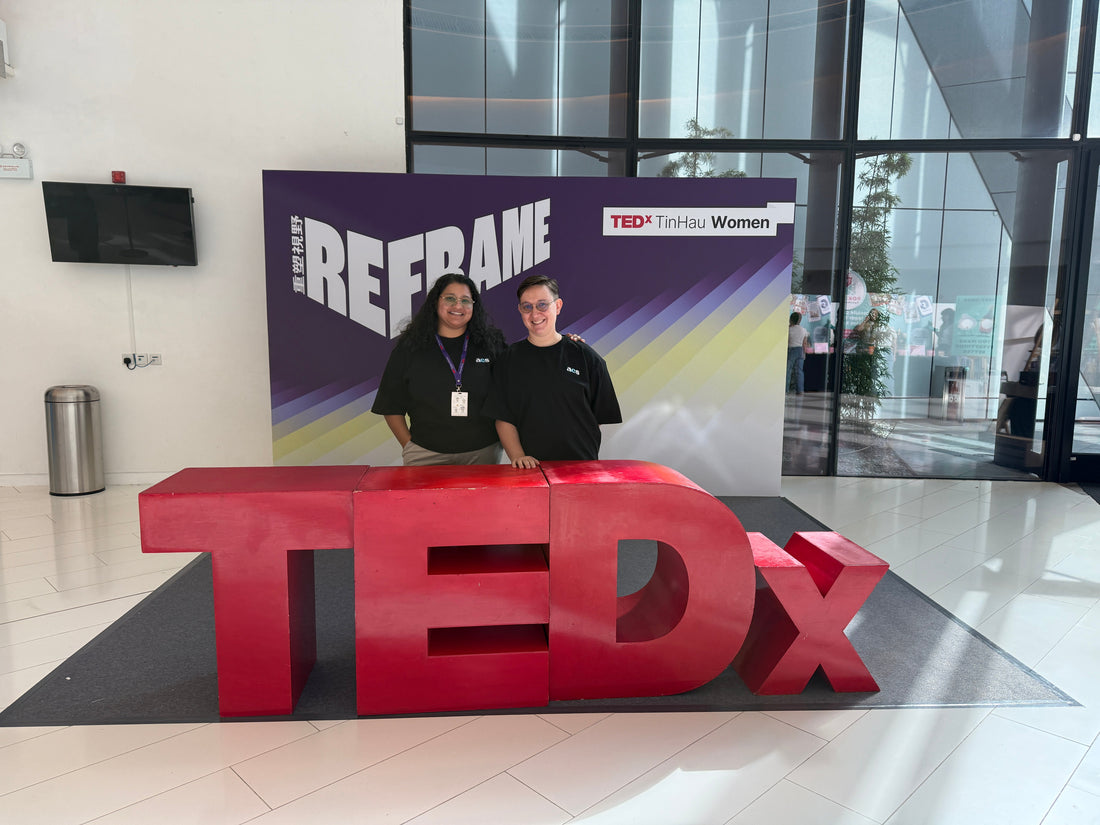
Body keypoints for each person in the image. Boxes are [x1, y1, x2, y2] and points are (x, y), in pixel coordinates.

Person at [486, 274, 622, 468]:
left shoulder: (586, 357)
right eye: (527, 307)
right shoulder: (508, 360)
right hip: (532, 471)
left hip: (580, 468)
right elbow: (503, 417)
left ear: (557, 306)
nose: (535, 314)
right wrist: (518, 456)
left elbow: (597, 416)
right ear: (520, 310)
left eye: (542, 305)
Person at [371, 272, 505, 465]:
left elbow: (516, 379)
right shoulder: (410, 347)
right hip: (426, 454)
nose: (458, 306)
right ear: (435, 302)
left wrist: (560, 344)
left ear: (474, 306)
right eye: (450, 298)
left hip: (483, 453)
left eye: (466, 300)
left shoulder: (491, 344)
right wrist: (409, 446)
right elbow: (390, 405)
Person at [786, 312, 810, 394]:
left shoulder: (789, 329)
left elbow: (787, 341)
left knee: (788, 370)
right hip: (800, 351)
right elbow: (805, 343)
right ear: (799, 320)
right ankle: (800, 390)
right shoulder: (803, 330)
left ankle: (786, 389)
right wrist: (804, 354)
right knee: (799, 371)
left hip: (791, 350)